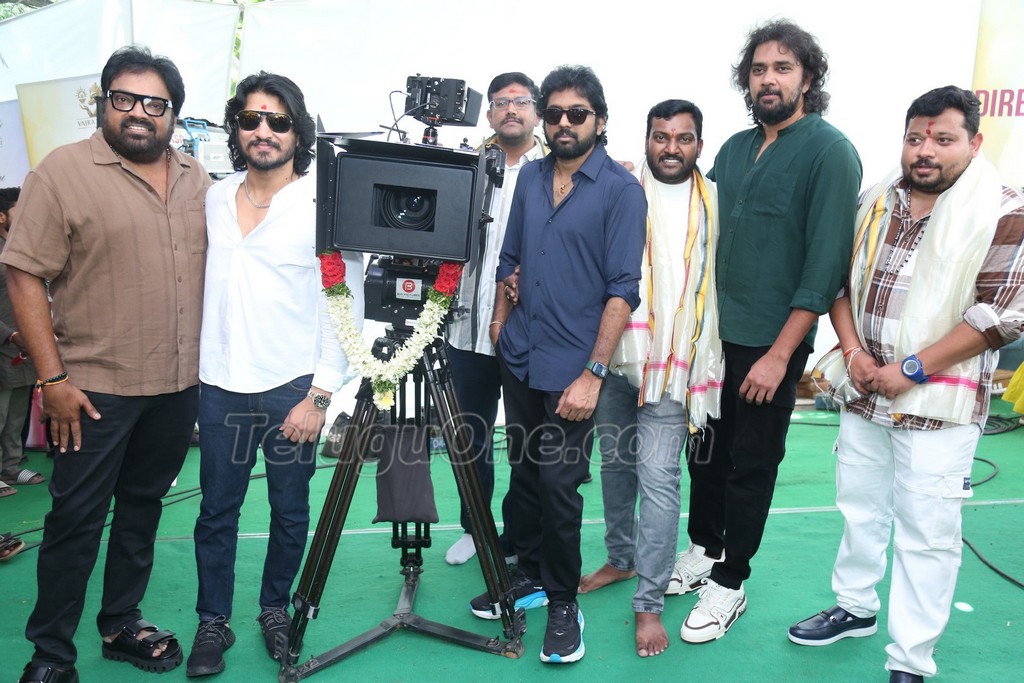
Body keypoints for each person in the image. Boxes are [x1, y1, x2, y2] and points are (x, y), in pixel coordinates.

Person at [788, 86, 1024, 683]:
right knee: (860, 508)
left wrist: (911, 370)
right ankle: (855, 607)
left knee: (927, 533)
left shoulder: (1003, 210)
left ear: (974, 142)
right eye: (916, 138)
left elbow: (999, 316)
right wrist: (853, 352)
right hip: (864, 389)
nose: (925, 151)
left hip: (938, 402)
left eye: (943, 139)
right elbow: (837, 282)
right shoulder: (874, 198)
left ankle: (910, 659)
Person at [3, 45, 210, 682]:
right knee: (75, 521)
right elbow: (24, 273)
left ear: (174, 113)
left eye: (155, 103)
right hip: (92, 391)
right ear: (103, 104)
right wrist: (53, 379)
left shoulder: (198, 179)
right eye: (125, 99)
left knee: (143, 508)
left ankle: (121, 623)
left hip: (176, 387)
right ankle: (51, 655)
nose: (139, 113)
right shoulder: (61, 172)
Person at [679, 20, 862, 644]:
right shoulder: (733, 149)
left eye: (783, 68)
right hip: (712, 338)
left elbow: (825, 264)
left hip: (770, 343)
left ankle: (730, 582)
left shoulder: (830, 152)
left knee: (751, 464)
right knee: (704, 453)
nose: (768, 80)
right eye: (758, 69)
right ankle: (703, 550)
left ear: (807, 78)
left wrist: (781, 355)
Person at [185, 72, 362, 677]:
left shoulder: (321, 206)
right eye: (251, 119)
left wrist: (320, 397)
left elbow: (343, 307)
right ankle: (212, 621)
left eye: (278, 121)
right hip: (221, 385)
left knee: (289, 512)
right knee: (216, 512)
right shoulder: (214, 198)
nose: (264, 131)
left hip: (293, 389)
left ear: (298, 132)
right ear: (235, 128)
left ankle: (273, 609)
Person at [469, 64, 646, 665]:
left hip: (574, 368)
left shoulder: (621, 191)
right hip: (521, 354)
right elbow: (509, 258)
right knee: (523, 472)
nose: (564, 123)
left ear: (600, 120)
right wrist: (499, 324)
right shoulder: (531, 176)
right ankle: (531, 574)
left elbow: (623, 291)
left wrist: (593, 375)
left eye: (577, 114)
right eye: (554, 114)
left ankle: (565, 602)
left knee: (559, 484)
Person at [577, 99, 723, 657]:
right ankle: (621, 559)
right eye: (661, 136)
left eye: (683, 138)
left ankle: (650, 602)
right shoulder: (619, 189)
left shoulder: (716, 202)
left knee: (659, 481)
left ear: (699, 146)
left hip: (674, 362)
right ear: (646, 141)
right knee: (615, 466)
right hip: (614, 354)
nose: (671, 148)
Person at [444, 72, 546, 566]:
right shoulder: (467, 166)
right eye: (501, 102)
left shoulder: (554, 168)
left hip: (531, 330)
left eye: (521, 101)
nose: (511, 109)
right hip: (466, 326)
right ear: (488, 114)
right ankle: (475, 528)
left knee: (529, 443)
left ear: (536, 112)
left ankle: (521, 536)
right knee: (470, 437)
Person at [1, 186, 44, 498]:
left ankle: (10, 467)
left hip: (24, 348)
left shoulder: (22, 246)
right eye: (20, 208)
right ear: (2, 216)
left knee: (16, 414)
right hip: (6, 344)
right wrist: (11, 335)